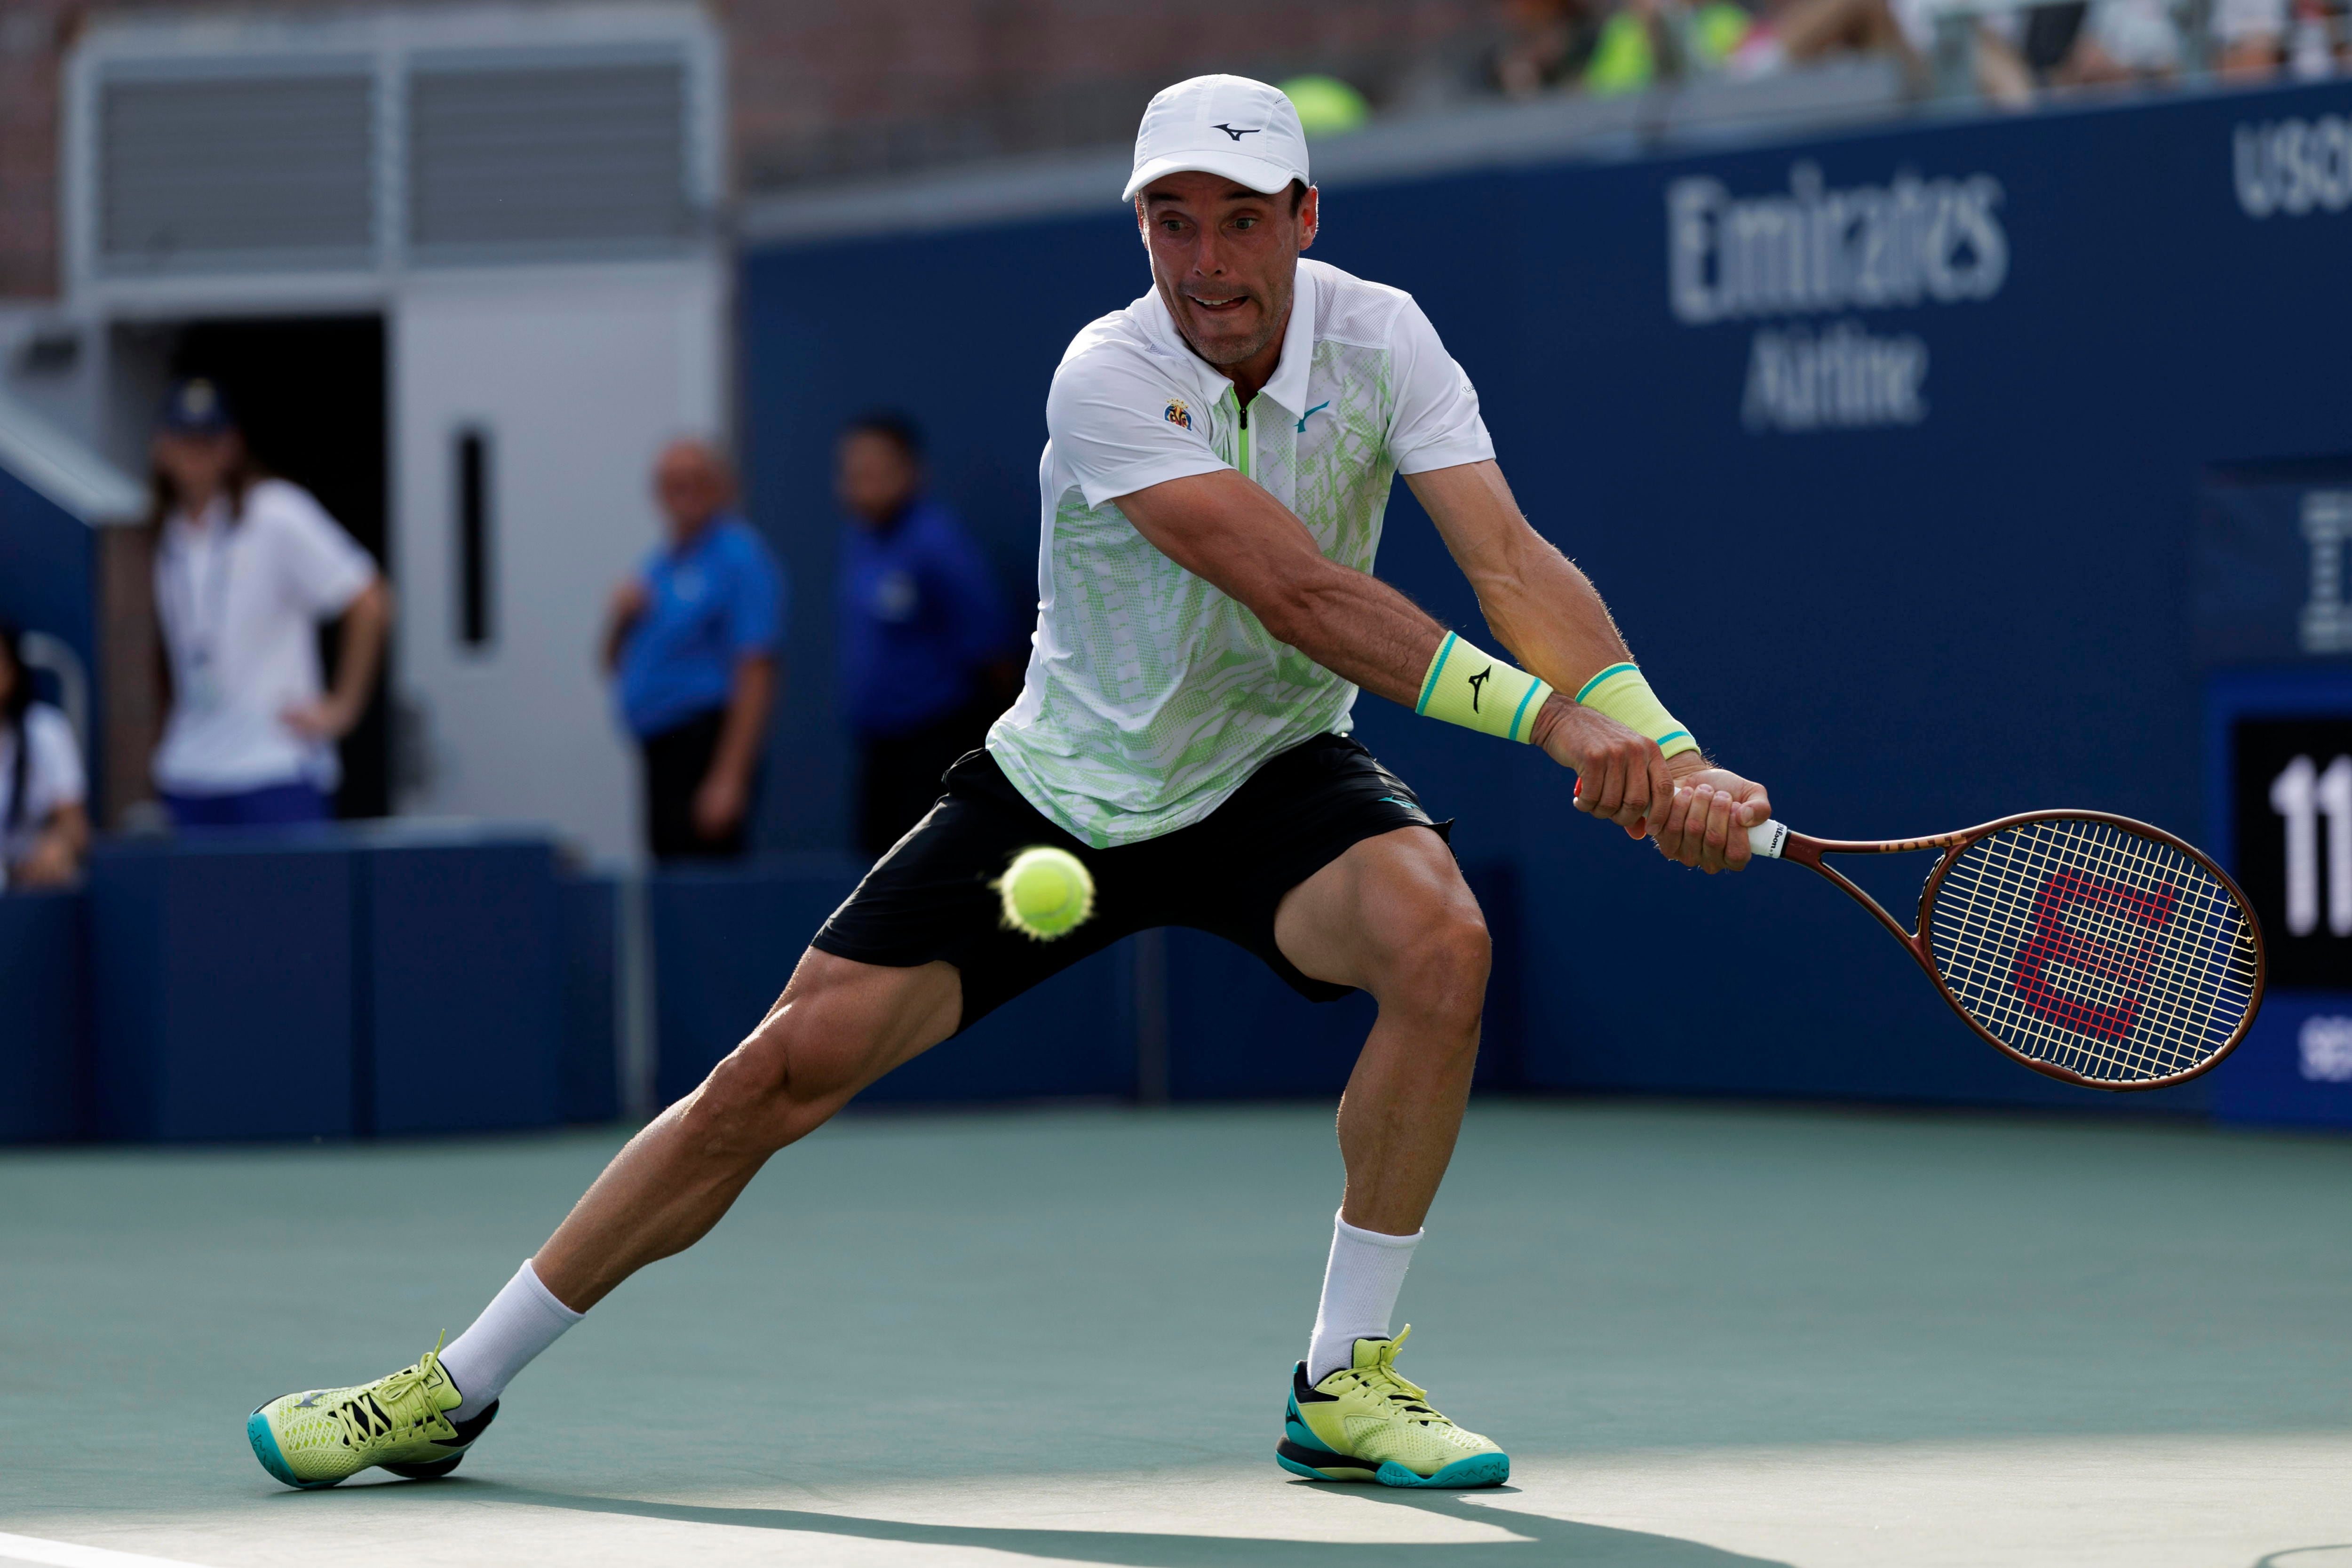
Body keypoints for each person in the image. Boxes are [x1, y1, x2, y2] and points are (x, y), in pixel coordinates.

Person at [244, 75, 1772, 1494]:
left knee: (1442, 945)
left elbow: (1507, 559)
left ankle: (1340, 1381)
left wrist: (1671, 748)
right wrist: (1565, 732)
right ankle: (454, 1383)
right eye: (1173, 221)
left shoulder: (1384, 338)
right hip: (1065, 794)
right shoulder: (1108, 376)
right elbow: (1299, 593)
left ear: (1305, 221)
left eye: (1243, 219)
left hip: (1275, 774)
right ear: (1142, 230)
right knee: (767, 1081)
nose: (1207, 258)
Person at [147, 379, 390, 829]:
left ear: (231, 447)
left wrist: (343, 707)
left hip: (273, 766)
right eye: (184, 439)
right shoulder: (166, 533)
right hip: (191, 769)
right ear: (162, 447)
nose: (194, 454)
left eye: (207, 441)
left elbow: (368, 598)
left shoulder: (275, 512)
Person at [834, 411, 1014, 857]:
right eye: (853, 472)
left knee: (919, 872)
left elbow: (993, 650)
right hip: (878, 747)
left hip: (933, 748)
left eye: (875, 470)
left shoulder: (938, 543)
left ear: (910, 471)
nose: (861, 483)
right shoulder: (859, 540)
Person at [603, 440, 785, 863]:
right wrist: (621, 618)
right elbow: (613, 663)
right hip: (660, 751)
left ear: (724, 487)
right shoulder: (659, 564)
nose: (685, 493)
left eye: (697, 481)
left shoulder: (740, 558)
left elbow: (757, 669)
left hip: (704, 747)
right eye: (672, 484)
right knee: (669, 888)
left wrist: (729, 777)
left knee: (704, 894)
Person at [0, 623, 89, 891]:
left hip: (30, 887)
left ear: (13, 671)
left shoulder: (45, 731)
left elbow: (75, 825)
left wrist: (58, 843)